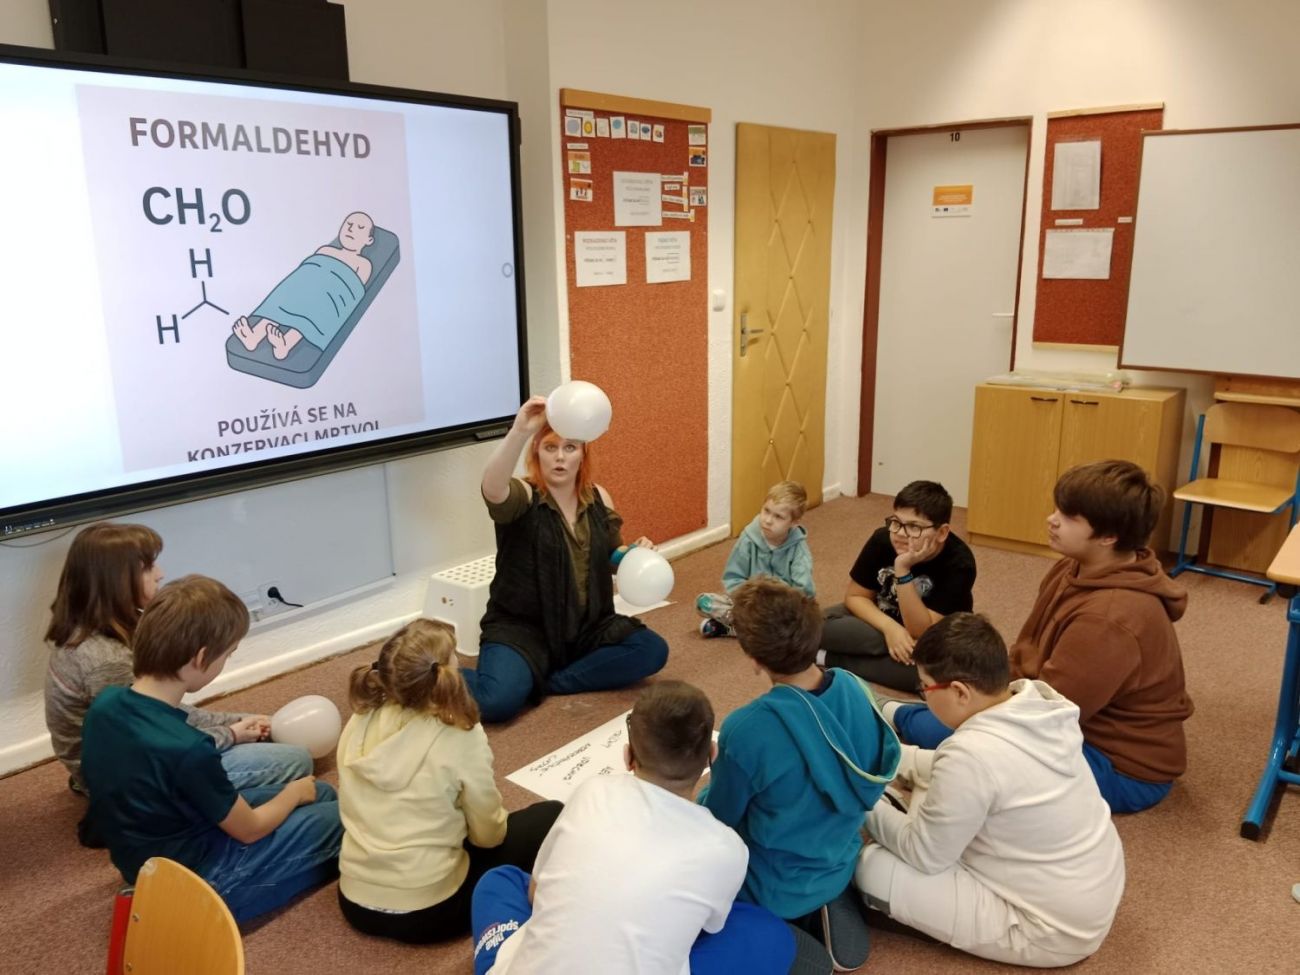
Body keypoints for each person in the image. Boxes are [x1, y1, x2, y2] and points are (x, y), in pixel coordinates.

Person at [889, 460, 1194, 814]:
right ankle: (893, 715)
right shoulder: (1074, 566)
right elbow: (1026, 659)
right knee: (953, 712)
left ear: (1109, 537)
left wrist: (974, 712)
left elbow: (1048, 714)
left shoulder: (1110, 617)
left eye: (1068, 517)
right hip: (1066, 722)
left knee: (967, 746)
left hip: (1119, 767)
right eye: (1057, 510)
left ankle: (893, 722)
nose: (1052, 519)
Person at [469, 681, 796, 975]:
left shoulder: (591, 791)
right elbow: (706, 929)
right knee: (771, 933)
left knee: (500, 880)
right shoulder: (728, 847)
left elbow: (535, 892)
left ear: (628, 757)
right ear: (712, 754)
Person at [856, 613, 1125, 967]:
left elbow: (923, 854)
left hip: (1049, 931)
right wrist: (881, 755)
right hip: (1089, 890)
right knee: (934, 788)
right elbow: (950, 767)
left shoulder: (971, 756)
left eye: (925, 688)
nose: (924, 697)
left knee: (871, 868)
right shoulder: (1038, 704)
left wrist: (861, 797)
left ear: (959, 691)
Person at [80, 575, 342, 922]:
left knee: (323, 793)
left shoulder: (105, 704)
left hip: (148, 853)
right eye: (228, 655)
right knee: (344, 819)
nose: (225, 661)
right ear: (201, 657)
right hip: (201, 877)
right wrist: (292, 794)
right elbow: (250, 829)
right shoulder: (189, 749)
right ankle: (193, 909)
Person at [699, 577, 901, 971]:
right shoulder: (855, 687)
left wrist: (704, 792)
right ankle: (826, 896)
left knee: (697, 852)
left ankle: (779, 923)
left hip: (771, 881)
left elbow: (721, 818)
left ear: (753, 658)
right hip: (838, 856)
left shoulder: (747, 728)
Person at [44, 522, 311, 799]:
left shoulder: (98, 629)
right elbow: (162, 737)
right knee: (294, 760)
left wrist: (238, 721)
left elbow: (163, 712)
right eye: (148, 567)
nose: (160, 574)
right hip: (125, 777)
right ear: (115, 580)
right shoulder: (107, 662)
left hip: (122, 750)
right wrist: (230, 733)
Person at [336, 618, 562, 943]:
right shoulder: (460, 732)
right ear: (445, 673)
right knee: (549, 815)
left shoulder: (359, 719)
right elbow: (489, 836)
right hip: (430, 912)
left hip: (354, 901)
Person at [465, 394, 669, 722]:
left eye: (570, 447)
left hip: (588, 625)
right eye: (550, 447)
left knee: (651, 651)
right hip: (524, 629)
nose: (560, 457)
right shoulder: (524, 496)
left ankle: (550, 682)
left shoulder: (599, 497)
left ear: (582, 453)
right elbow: (492, 488)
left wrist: (634, 555)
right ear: (537, 452)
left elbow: (611, 556)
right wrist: (519, 431)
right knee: (496, 702)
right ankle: (433, 676)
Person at [821, 480, 976, 692]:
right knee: (811, 625)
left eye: (914, 527)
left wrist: (903, 569)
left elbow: (919, 630)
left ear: (941, 533)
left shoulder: (960, 564)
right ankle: (875, 650)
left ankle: (825, 656)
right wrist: (890, 630)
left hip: (929, 638)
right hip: (878, 620)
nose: (900, 533)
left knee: (934, 674)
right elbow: (856, 596)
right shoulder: (882, 539)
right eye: (896, 522)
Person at [232, 211, 375, 360]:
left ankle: (285, 344)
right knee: (285, 299)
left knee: (313, 312)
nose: (351, 229)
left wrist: (327, 287)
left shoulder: (363, 264)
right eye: (349, 224)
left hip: (329, 295)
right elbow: (307, 271)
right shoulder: (325, 250)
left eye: (360, 228)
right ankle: (254, 336)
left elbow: (351, 290)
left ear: (369, 240)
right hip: (306, 286)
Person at [696, 479, 814, 638]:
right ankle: (753, 628)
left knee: (800, 621)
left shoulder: (799, 550)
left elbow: (804, 593)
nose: (768, 520)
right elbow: (732, 577)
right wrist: (749, 599)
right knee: (704, 603)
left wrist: (777, 602)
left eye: (778, 517)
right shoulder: (748, 539)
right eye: (766, 511)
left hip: (781, 608)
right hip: (748, 602)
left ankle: (735, 628)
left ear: (794, 523)